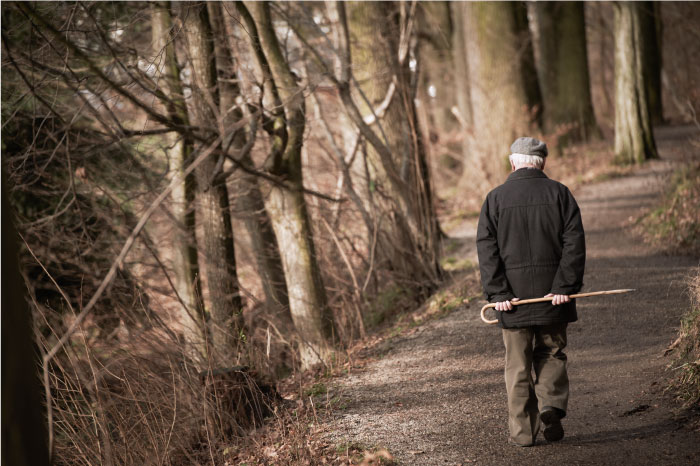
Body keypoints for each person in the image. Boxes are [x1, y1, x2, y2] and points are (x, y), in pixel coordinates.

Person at [476, 137, 586, 447]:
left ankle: (524, 434)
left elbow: (487, 250)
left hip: (512, 301)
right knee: (551, 351)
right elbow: (574, 244)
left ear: (512, 163)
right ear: (543, 163)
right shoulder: (560, 194)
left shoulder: (494, 199)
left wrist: (498, 293)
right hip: (553, 298)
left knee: (518, 365)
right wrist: (564, 286)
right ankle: (550, 405)